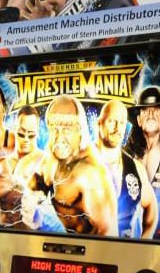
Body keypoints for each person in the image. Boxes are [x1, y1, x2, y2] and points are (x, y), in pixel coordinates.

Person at [23, 95, 118, 235]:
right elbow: (37, 182)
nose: (59, 137)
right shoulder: (53, 151)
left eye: (66, 129)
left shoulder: (91, 173)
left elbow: (106, 235)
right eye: (54, 129)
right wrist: (30, 203)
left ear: (79, 130)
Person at [96, 99, 157, 239]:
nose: (117, 128)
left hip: (126, 256)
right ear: (99, 122)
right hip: (89, 255)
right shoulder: (83, 162)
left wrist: (145, 242)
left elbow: (151, 206)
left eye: (122, 122)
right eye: (112, 121)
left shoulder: (136, 167)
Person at [0, 105, 44, 228]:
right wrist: (15, 183)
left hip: (32, 234)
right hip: (1, 231)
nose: (26, 139)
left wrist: (6, 187)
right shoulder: (0, 162)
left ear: (38, 133)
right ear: (14, 130)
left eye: (31, 135)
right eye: (21, 133)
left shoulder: (44, 161)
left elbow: (49, 197)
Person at [123, 86, 160, 240]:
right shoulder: (127, 155)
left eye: (156, 109)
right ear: (138, 120)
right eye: (145, 110)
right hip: (130, 244)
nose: (150, 113)